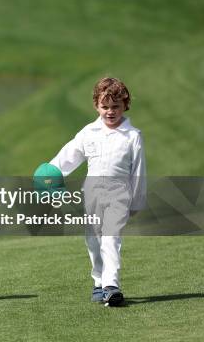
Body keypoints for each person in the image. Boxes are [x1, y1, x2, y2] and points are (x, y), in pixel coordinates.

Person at [49, 77, 146, 306]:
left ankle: (112, 286)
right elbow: (68, 157)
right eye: (105, 106)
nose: (110, 112)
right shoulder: (88, 133)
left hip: (119, 194)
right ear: (96, 106)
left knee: (111, 238)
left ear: (125, 105)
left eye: (116, 106)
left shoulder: (133, 136)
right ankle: (99, 282)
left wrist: (137, 201)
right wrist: (51, 173)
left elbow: (139, 172)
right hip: (92, 193)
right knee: (93, 240)